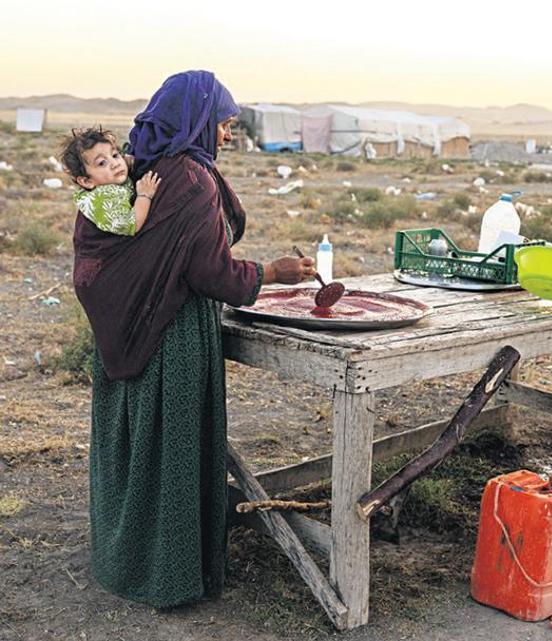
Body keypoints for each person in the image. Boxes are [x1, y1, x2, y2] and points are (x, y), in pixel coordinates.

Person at [72, 70, 316, 608]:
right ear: (199, 121)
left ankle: (124, 559)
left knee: (140, 449)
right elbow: (210, 273)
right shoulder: (191, 178)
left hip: (131, 326)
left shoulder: (146, 165)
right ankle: (169, 577)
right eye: (224, 125)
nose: (228, 135)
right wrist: (271, 273)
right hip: (174, 335)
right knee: (174, 450)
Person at [61, 127, 161, 235]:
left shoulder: (109, 180)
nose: (115, 163)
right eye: (102, 163)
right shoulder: (103, 200)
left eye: (115, 155)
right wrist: (144, 195)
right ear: (87, 182)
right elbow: (132, 224)